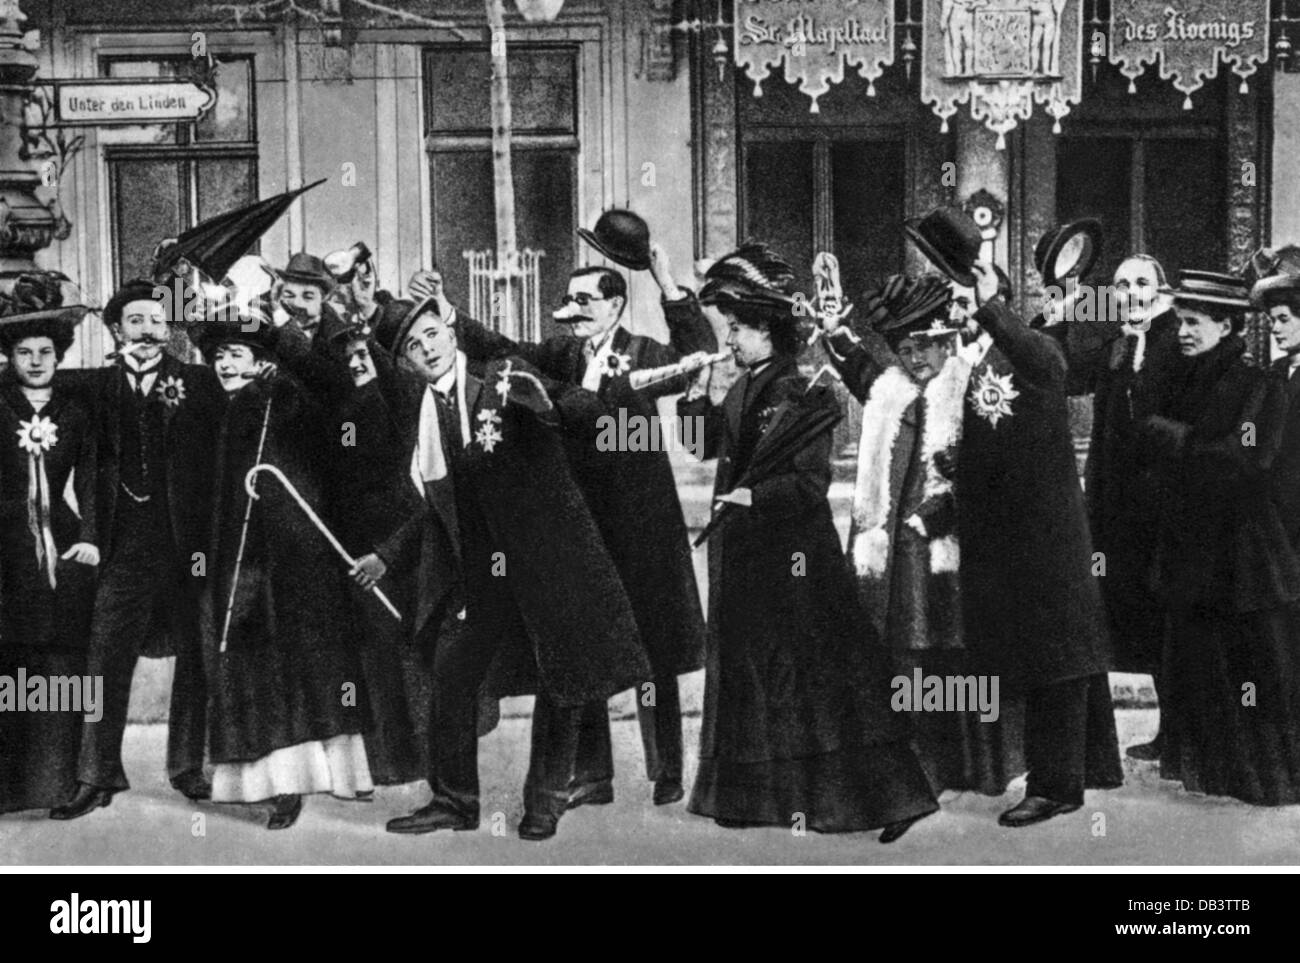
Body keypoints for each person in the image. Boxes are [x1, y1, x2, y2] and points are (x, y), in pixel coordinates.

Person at [677, 245, 940, 840]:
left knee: (826, 680)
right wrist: (696, 394)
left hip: (798, 563)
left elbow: (807, 483)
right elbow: (703, 446)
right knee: (756, 677)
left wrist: (751, 498)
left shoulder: (809, 392)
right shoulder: (745, 386)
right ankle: (759, 798)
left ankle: (884, 801)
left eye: (739, 329)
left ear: (769, 331)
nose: (732, 341)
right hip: (748, 559)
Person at [378, 299, 651, 840]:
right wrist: (388, 555)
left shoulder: (503, 376)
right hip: (485, 574)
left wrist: (549, 408)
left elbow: (589, 412)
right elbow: (437, 505)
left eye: (432, 334)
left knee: (562, 677)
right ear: (406, 363)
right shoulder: (423, 411)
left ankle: (544, 801)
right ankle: (454, 801)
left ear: (450, 334)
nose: (427, 348)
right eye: (413, 346)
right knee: (452, 674)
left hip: (549, 559)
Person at [451, 244, 711, 808]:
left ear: (617, 305)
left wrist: (666, 282)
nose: (574, 309)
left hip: (642, 525)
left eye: (586, 300)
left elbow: (698, 355)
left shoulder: (643, 353)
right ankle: (594, 776)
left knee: (655, 652)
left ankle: (667, 770)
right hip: (583, 522)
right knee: (587, 642)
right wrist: (452, 320)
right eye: (569, 300)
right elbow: (505, 349)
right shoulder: (561, 355)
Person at [821, 274, 1025, 795]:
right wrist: (835, 331)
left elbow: (995, 471)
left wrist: (946, 507)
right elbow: (859, 367)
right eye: (905, 349)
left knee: (948, 655)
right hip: (889, 548)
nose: (915, 359)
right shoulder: (890, 391)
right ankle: (905, 766)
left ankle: (956, 765)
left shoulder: (972, 389)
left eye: (925, 348)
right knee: (898, 656)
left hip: (943, 548)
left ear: (946, 343)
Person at [948, 255, 1123, 827]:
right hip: (1009, 533)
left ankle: (1058, 787)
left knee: (1059, 656)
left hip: (1047, 534)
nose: (958, 308)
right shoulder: (988, 355)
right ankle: (1075, 770)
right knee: (1042, 653)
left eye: (964, 298)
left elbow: (1045, 363)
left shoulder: (1036, 351)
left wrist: (993, 304)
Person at [193, 304, 374, 830]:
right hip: (239, 561)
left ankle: (317, 780)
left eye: (237, 354)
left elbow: (328, 397)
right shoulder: (218, 408)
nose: (226, 364)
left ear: (260, 359)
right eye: (219, 355)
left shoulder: (283, 397)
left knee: (307, 667)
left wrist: (282, 367)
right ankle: (271, 784)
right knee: (255, 670)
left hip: (295, 560)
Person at [52, 279, 224, 821]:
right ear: (116, 329)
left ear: (169, 327)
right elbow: (21, 374)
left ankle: (188, 768)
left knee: (197, 655)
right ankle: (95, 775)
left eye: (156, 320)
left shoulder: (200, 381)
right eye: (135, 321)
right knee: (104, 658)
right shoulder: (93, 387)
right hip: (121, 547)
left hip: (190, 548)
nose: (148, 331)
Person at [1141, 271, 1300, 806]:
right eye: (1181, 321)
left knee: (1249, 669)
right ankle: (1210, 769)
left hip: (1239, 553)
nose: (1181, 332)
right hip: (1194, 548)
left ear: (1225, 325)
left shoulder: (1257, 383)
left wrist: (1174, 440)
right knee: (1202, 663)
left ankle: (1259, 779)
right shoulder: (1190, 377)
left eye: (1192, 323)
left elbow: (1247, 456)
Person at [1065, 255, 1182, 760]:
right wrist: (1064, 309)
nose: (1131, 292)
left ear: (1161, 290)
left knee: (1167, 616)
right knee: (1127, 609)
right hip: (1115, 505)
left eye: (1141, 283)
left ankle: (1177, 730)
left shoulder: (1177, 341)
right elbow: (1068, 378)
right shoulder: (1116, 344)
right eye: (1121, 285)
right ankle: (1157, 728)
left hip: (1161, 505)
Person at [0, 278, 98, 815]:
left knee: (62, 666)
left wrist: (88, 538)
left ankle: (60, 783)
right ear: (9, 357)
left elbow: (90, 483)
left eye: (45, 352)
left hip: (62, 551)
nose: (35, 361)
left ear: (59, 356)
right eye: (23, 352)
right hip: (8, 551)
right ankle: (9, 787)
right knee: (10, 667)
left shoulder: (77, 411)